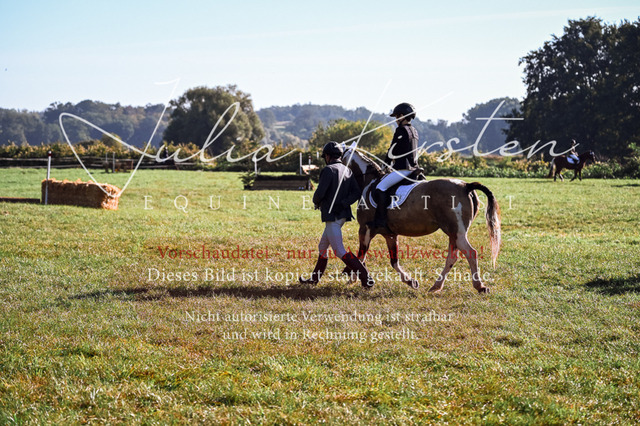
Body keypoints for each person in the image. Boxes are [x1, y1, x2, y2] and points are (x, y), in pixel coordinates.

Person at [299, 141, 375, 288]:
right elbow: (356, 192)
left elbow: (320, 193)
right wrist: (343, 203)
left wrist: (316, 201)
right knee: (322, 247)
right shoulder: (348, 170)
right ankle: (314, 280)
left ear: (328, 156)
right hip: (342, 215)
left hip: (331, 216)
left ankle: (367, 278)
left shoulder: (328, 170)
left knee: (339, 251)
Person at [369, 102, 420, 231]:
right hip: (414, 168)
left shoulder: (401, 130)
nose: (396, 120)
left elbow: (392, 150)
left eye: (397, 116)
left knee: (380, 187)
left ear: (402, 116)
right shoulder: (414, 131)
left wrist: (385, 164)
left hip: (403, 169)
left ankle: (381, 220)